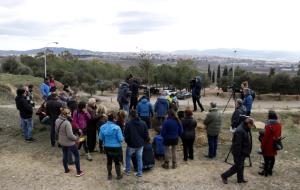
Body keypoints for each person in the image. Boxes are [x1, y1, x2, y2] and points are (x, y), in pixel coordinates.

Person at [221, 118, 255, 184]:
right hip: (239, 152)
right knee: (237, 166)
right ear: (248, 124)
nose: (252, 126)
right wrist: (238, 154)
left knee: (241, 166)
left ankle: (240, 179)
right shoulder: (240, 130)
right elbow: (237, 144)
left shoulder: (245, 128)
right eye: (252, 125)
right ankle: (224, 176)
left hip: (243, 152)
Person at [55, 107, 84, 177]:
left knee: (65, 155)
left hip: (62, 142)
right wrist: (76, 138)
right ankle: (78, 172)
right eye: (70, 114)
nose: (71, 115)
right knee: (77, 155)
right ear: (66, 114)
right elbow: (70, 135)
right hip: (69, 143)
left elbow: (56, 131)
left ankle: (66, 169)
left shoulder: (57, 120)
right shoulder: (67, 123)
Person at [124, 110, 150, 177]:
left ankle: (128, 171)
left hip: (131, 144)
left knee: (128, 157)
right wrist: (145, 141)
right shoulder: (143, 123)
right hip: (140, 144)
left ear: (130, 116)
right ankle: (139, 172)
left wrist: (127, 142)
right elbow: (146, 135)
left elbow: (126, 135)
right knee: (139, 158)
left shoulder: (128, 124)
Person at [99, 112, 124, 180]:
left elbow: (100, 138)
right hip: (116, 147)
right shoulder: (117, 128)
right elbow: (121, 139)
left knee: (109, 160)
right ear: (114, 119)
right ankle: (118, 175)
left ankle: (109, 175)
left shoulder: (102, 127)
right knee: (117, 161)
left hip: (107, 146)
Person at [259, 110, 282, 177]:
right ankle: (270, 171)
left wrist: (261, 146)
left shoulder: (268, 126)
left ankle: (265, 172)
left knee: (266, 158)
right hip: (274, 144)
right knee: (272, 157)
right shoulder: (279, 125)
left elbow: (265, 138)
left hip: (268, 144)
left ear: (269, 116)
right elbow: (279, 135)